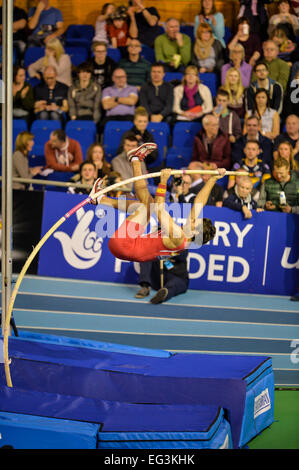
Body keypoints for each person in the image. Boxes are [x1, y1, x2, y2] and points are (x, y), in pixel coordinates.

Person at [91, 142, 226, 263]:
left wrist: (163, 181)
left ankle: (135, 160)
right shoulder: (186, 237)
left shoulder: (178, 237)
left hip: (124, 245)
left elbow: (159, 209)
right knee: (146, 204)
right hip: (130, 245)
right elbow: (199, 203)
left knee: (147, 207)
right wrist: (213, 179)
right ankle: (102, 198)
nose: (191, 220)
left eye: (194, 222)